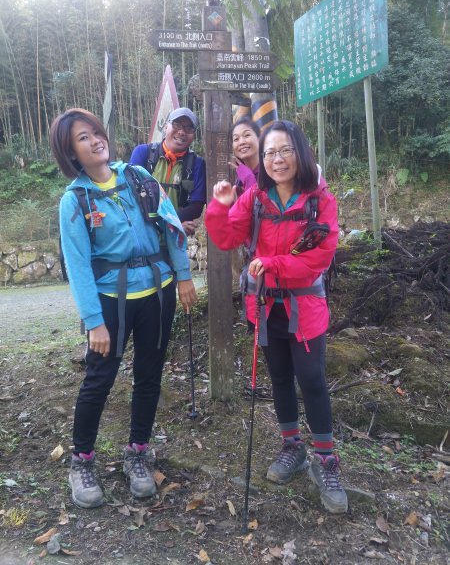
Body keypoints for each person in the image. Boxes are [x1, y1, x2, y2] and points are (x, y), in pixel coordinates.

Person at [50, 108, 197, 509]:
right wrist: (93, 321)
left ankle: (138, 452)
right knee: (99, 380)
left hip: (158, 289)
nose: (95, 140)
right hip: (110, 300)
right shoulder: (75, 200)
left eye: (96, 132)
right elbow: (77, 264)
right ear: (71, 152)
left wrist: (183, 276)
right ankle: (81, 460)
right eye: (83, 138)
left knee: (149, 376)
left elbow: (169, 225)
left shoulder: (138, 177)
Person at [205, 120, 348, 514]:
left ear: (299, 152)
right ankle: (292, 449)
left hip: (306, 308)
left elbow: (318, 257)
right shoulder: (253, 198)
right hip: (266, 308)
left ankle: (326, 460)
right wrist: (219, 206)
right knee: (281, 379)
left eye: (284, 150)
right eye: (269, 152)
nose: (277, 159)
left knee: (313, 380)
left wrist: (271, 263)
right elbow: (226, 238)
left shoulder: (319, 200)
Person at [129, 107, 206, 236]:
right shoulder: (143, 153)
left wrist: (171, 225)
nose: (182, 132)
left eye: (189, 128)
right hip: (143, 235)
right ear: (165, 127)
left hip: (175, 240)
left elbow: (196, 207)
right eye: (176, 124)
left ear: (193, 136)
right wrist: (170, 223)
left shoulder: (197, 164)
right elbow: (131, 195)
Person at [229, 116, 260, 196]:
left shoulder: (270, 171)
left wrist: (248, 178)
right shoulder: (238, 175)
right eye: (236, 139)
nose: (241, 142)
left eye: (247, 135)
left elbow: (260, 206)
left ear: (259, 138)